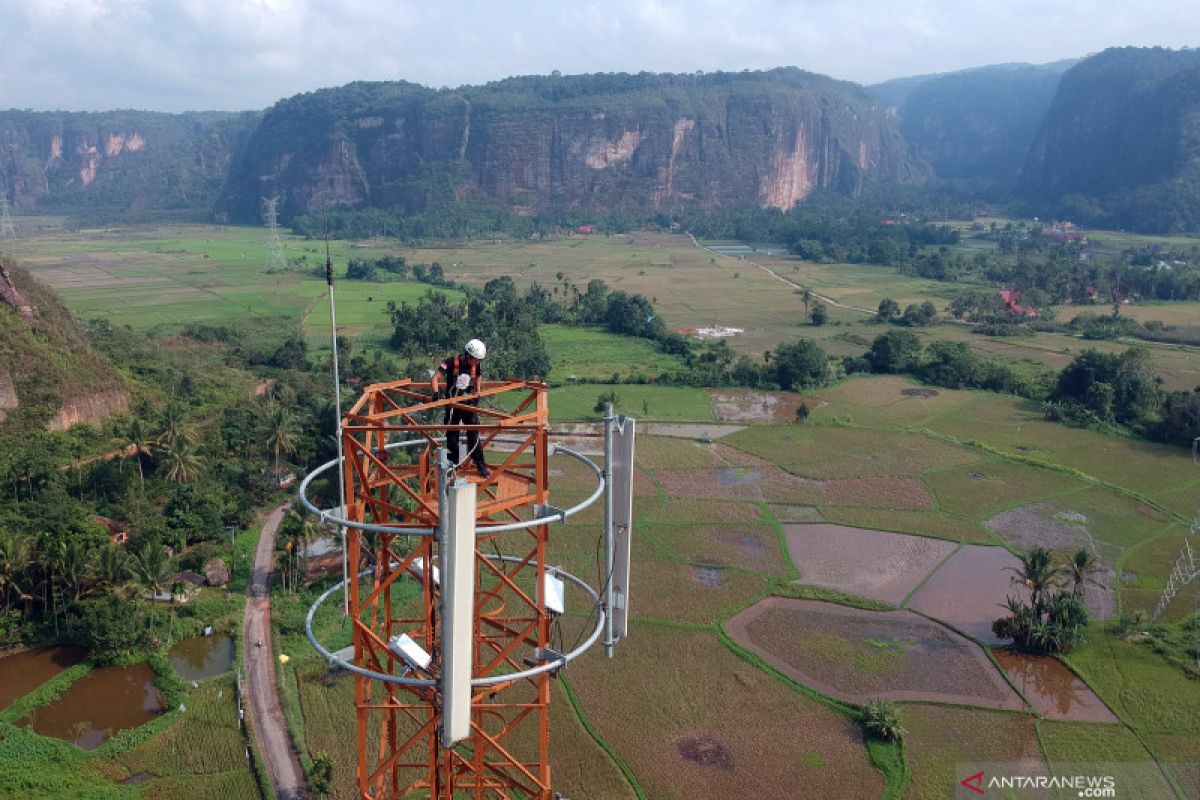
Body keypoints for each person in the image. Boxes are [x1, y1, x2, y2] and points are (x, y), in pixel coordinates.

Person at [431, 338, 491, 478]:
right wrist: (435, 393)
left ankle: (480, 464)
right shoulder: (452, 362)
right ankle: (453, 465)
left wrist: (478, 391)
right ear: (468, 355)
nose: (476, 363)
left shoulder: (476, 365)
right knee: (452, 435)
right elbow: (435, 378)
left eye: (478, 361)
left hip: (468, 403)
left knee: (473, 435)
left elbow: (478, 378)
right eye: (475, 360)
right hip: (453, 404)